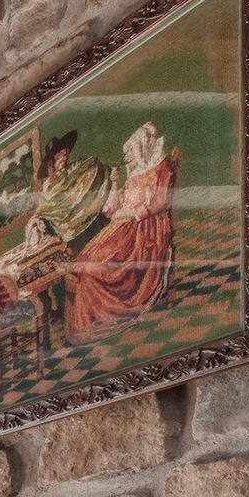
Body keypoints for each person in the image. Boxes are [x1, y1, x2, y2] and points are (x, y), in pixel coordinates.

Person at [66, 122, 179, 345]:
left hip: (144, 230)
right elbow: (112, 211)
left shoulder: (161, 168)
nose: (126, 157)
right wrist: (115, 183)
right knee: (83, 263)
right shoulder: (133, 175)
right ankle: (91, 320)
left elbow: (158, 203)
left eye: (129, 152)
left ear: (139, 150)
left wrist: (132, 213)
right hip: (122, 228)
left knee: (94, 267)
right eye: (126, 153)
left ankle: (107, 317)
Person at [35, 130, 112, 250]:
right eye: (59, 155)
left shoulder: (75, 169)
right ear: (52, 161)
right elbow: (46, 208)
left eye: (65, 154)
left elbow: (87, 180)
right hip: (68, 227)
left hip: (87, 213)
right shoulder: (48, 185)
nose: (63, 158)